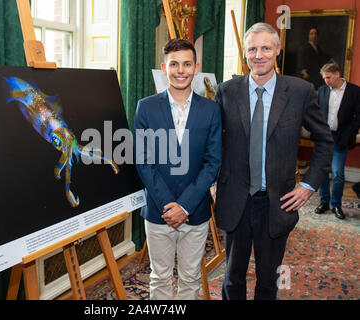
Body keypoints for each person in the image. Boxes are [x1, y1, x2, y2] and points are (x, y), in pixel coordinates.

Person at [213, 22, 333, 300]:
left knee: (269, 279)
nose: (259, 55)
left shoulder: (301, 91)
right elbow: (214, 142)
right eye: (252, 49)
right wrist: (212, 181)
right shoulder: (227, 91)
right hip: (236, 201)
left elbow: (325, 141)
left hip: (276, 202)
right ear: (245, 53)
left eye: (266, 48)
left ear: (277, 50)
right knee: (232, 277)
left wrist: (308, 186)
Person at [134, 39, 222, 300]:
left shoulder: (212, 110)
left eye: (186, 64)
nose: (180, 70)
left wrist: (184, 206)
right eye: (174, 64)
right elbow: (143, 159)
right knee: (159, 277)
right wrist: (168, 204)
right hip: (158, 210)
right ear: (164, 68)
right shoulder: (146, 107)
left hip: (195, 211)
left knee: (191, 277)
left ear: (196, 67)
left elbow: (213, 161)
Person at [314, 61, 360, 219]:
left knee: (338, 173)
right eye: (324, 78)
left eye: (328, 77)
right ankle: (324, 201)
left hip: (341, 137)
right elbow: (317, 113)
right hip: (324, 138)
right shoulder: (322, 90)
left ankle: (336, 205)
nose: (326, 81)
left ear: (337, 74)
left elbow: (358, 116)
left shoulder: (354, 91)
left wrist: (350, 133)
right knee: (322, 171)